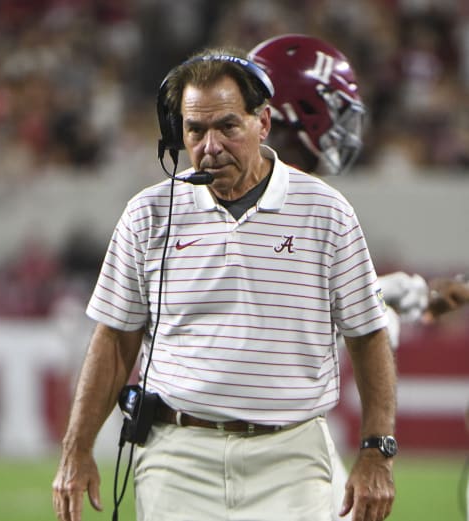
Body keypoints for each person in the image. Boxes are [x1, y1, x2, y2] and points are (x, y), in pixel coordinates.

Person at [53, 46, 397, 521]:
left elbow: (368, 334)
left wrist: (377, 451)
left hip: (290, 459)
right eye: (195, 130)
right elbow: (114, 340)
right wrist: (77, 449)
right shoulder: (148, 216)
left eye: (227, 126)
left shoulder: (327, 212)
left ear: (263, 123)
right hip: (178, 458)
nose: (210, 145)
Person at [248, 33, 469, 520]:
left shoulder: (301, 201)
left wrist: (414, 295)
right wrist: (400, 303)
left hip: (283, 442)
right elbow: (316, 314)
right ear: (297, 112)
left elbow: (332, 295)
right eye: (337, 110)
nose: (345, 129)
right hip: (253, 447)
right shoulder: (268, 203)